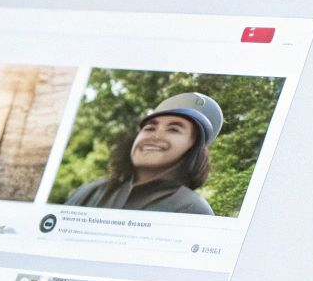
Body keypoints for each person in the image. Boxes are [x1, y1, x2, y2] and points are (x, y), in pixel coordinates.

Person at [64, 92, 224, 215]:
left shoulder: (191, 209)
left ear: (193, 147)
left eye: (174, 129)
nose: (155, 136)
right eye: (150, 128)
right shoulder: (88, 192)